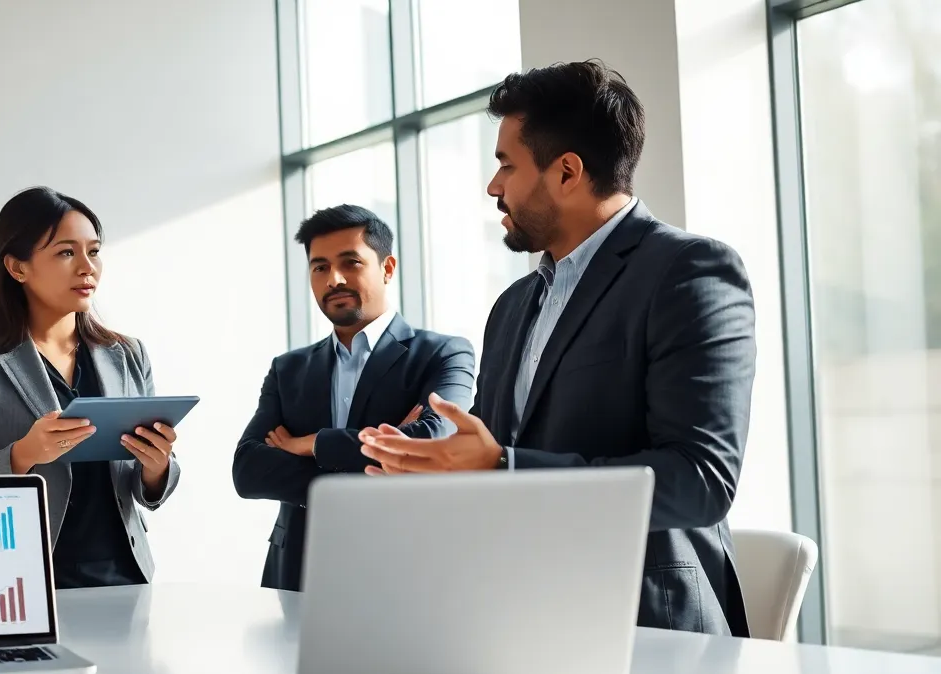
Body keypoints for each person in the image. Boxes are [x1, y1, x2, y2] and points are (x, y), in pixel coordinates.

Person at [359, 61, 755, 637]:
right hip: (518, 617)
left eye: (506, 165)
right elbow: (494, 461)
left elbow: (700, 481)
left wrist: (501, 467)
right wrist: (439, 473)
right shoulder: (512, 306)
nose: (493, 187)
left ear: (567, 172)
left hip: (648, 630)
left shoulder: (688, 271)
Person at [0, 186, 180, 588]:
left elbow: (145, 487)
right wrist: (24, 454)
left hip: (125, 578)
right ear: (18, 268)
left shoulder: (128, 354)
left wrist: (157, 466)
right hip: (20, 583)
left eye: (93, 251)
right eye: (66, 253)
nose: (87, 267)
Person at [233, 204, 476, 592]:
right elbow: (247, 471)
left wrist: (310, 444)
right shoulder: (288, 369)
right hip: (298, 571)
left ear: (387, 268)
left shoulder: (443, 353)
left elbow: (431, 442)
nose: (334, 279)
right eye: (320, 267)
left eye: (351, 262)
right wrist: (384, 453)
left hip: (403, 570)